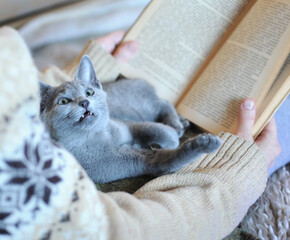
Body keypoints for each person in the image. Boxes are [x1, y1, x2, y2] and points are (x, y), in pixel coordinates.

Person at [0, 28, 284, 240]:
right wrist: (241, 172)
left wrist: (72, 77)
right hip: (193, 169)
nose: (84, 102)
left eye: (87, 94)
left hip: (138, 102)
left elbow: (21, 98)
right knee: (276, 110)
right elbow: (128, 230)